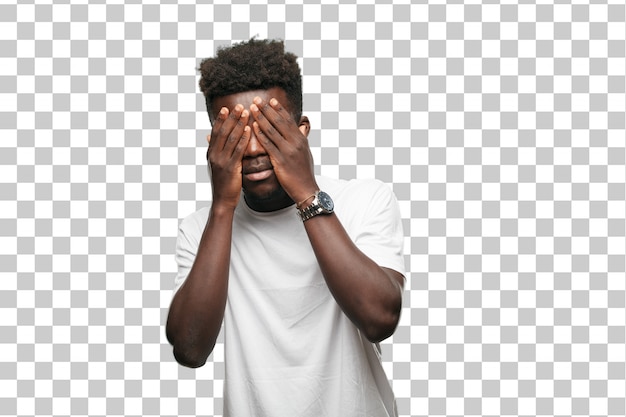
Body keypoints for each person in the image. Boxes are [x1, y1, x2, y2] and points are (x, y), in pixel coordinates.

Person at [166, 38, 406, 417]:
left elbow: (380, 319)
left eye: (269, 130)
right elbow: (190, 350)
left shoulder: (364, 200)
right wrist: (223, 208)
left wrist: (307, 193)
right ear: (214, 142)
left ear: (301, 130)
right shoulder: (202, 227)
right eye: (237, 134)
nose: (254, 150)